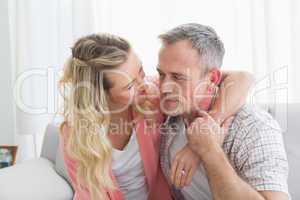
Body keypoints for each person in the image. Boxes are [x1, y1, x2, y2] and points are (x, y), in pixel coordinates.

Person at [59, 33, 253, 200]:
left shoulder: (151, 97)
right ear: (100, 96)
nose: (143, 84)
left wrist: (200, 139)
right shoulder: (76, 135)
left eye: (141, 71)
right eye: (129, 86)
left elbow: (242, 78)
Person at [158, 23, 289, 200]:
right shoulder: (168, 113)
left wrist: (209, 150)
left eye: (178, 77)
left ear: (212, 78)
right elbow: (242, 76)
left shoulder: (254, 127)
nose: (164, 87)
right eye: (161, 74)